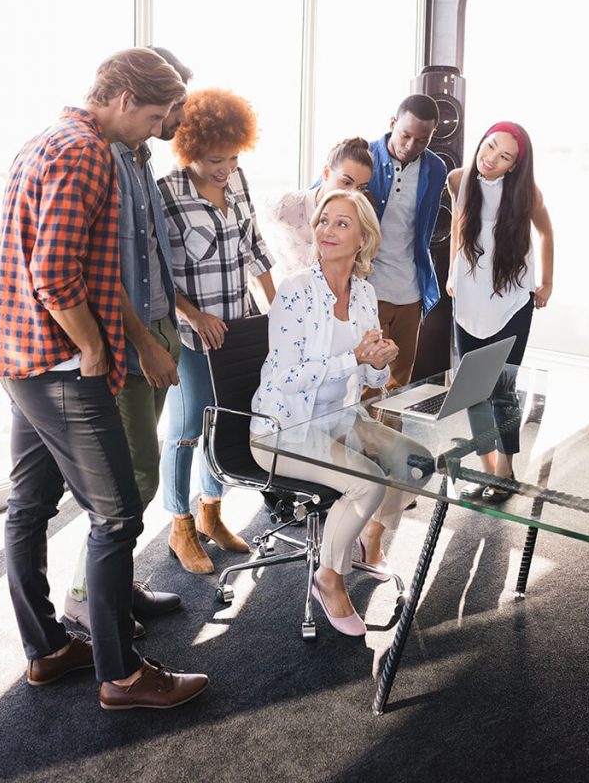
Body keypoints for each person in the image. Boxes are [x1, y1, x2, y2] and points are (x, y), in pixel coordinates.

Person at [0, 48, 208, 710]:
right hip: (59, 366)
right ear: (128, 98)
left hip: (24, 360)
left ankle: (48, 649)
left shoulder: (48, 139)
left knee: (29, 508)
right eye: (158, 116)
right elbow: (54, 276)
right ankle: (122, 673)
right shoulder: (85, 153)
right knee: (116, 516)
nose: (157, 131)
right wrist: (93, 349)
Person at [64, 47, 193, 637]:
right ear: (136, 101)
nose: (177, 118)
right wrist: (143, 343)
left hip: (158, 323)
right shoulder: (102, 155)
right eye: (171, 106)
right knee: (134, 472)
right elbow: (98, 268)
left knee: (144, 462)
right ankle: (85, 596)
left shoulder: (140, 155)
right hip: (127, 336)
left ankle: (116, 581)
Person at [251, 190, 417, 637]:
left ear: (363, 238)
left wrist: (378, 363)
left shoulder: (364, 292)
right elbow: (285, 379)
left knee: (414, 461)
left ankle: (369, 536)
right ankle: (330, 575)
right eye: (324, 220)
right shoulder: (295, 291)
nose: (326, 230)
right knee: (366, 482)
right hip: (282, 429)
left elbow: (373, 379)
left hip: (339, 419)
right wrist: (355, 359)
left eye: (342, 224)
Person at [158, 87, 276, 573]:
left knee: (227, 420)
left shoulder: (239, 180)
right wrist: (194, 315)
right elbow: (159, 275)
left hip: (239, 328)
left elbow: (253, 244)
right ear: (189, 151)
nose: (224, 168)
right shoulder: (167, 193)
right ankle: (179, 526)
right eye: (213, 160)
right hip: (192, 336)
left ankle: (211, 513)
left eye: (231, 157)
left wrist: (279, 306)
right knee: (187, 429)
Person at [446, 121, 554, 501]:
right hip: (469, 299)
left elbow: (546, 232)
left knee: (502, 389)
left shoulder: (526, 194)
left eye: (504, 155)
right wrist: (451, 273)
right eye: (489, 146)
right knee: (473, 389)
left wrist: (547, 283)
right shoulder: (459, 179)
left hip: (511, 300)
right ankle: (488, 470)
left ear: (514, 166)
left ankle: (505, 471)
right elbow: (459, 227)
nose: (490, 158)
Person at [367, 94, 447, 389]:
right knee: (367, 383)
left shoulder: (436, 169)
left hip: (410, 292)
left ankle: (391, 437)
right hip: (368, 289)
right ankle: (361, 438)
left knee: (399, 384)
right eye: (405, 135)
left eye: (422, 140)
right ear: (392, 124)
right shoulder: (364, 155)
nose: (411, 146)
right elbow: (321, 198)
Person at [268, 137, 374, 279]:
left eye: (361, 188)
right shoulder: (287, 206)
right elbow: (251, 238)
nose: (352, 194)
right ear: (326, 173)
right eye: (346, 182)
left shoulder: (359, 220)